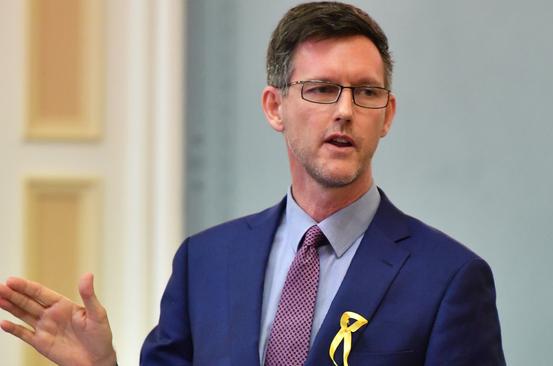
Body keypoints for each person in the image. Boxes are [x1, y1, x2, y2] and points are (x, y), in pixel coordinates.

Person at [0, 2, 506, 365]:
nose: (346, 111)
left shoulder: (449, 279)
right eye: (323, 89)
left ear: (388, 114)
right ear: (274, 107)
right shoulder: (205, 262)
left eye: (367, 92)